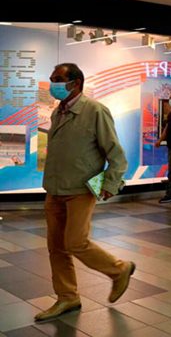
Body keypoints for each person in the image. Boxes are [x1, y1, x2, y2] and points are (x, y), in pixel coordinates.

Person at [36, 63, 135, 322]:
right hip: (55, 189)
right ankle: (67, 297)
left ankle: (119, 269)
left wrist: (111, 184)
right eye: (51, 79)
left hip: (81, 189)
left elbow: (116, 154)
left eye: (57, 79)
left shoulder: (95, 111)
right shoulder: (59, 111)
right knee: (56, 248)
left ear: (76, 82)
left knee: (75, 242)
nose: (52, 84)